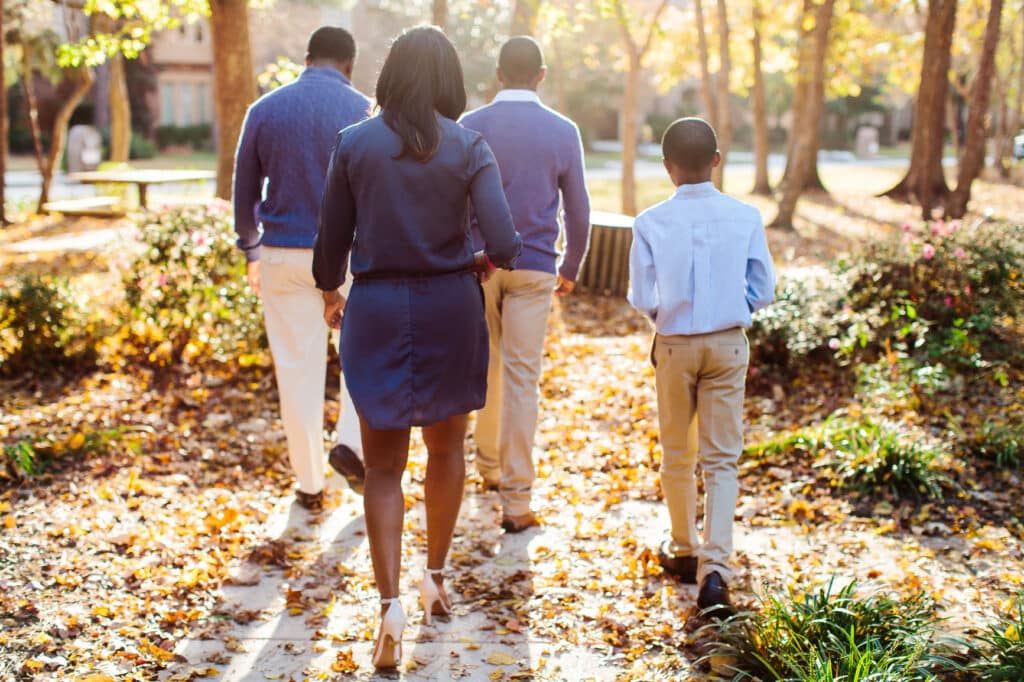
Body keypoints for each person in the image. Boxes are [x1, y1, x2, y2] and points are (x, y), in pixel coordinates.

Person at [312, 26, 521, 670]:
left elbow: (328, 248)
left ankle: (388, 609)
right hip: (450, 309)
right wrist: (479, 261)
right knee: (447, 450)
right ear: (449, 80)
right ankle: (434, 576)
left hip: (376, 310)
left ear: (389, 75)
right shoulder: (470, 146)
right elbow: (505, 243)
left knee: (382, 468)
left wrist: (332, 293)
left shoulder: (354, 143)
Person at [627, 118, 775, 615]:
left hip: (674, 346)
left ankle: (683, 548)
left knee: (676, 453)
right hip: (728, 344)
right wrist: (733, 308)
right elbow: (764, 288)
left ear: (667, 167)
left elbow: (641, 296)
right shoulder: (745, 216)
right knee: (722, 459)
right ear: (716, 160)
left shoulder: (649, 222)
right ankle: (715, 570)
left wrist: (667, 317)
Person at [232, 27, 371, 511]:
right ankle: (351, 446)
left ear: (307, 59)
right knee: (359, 358)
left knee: (296, 370)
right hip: (349, 258)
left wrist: (251, 250)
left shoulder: (264, 109)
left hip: (283, 254)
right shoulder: (366, 111)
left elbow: (243, 192)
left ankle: (310, 484)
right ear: (349, 65)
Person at [460, 36, 591, 533]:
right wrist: (570, 265)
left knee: (486, 365)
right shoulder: (563, 130)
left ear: (498, 74)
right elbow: (578, 208)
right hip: (535, 266)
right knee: (521, 377)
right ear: (541, 75)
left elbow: (454, 201)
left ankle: (487, 466)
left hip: (478, 265)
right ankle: (516, 500)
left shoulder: (470, 126)